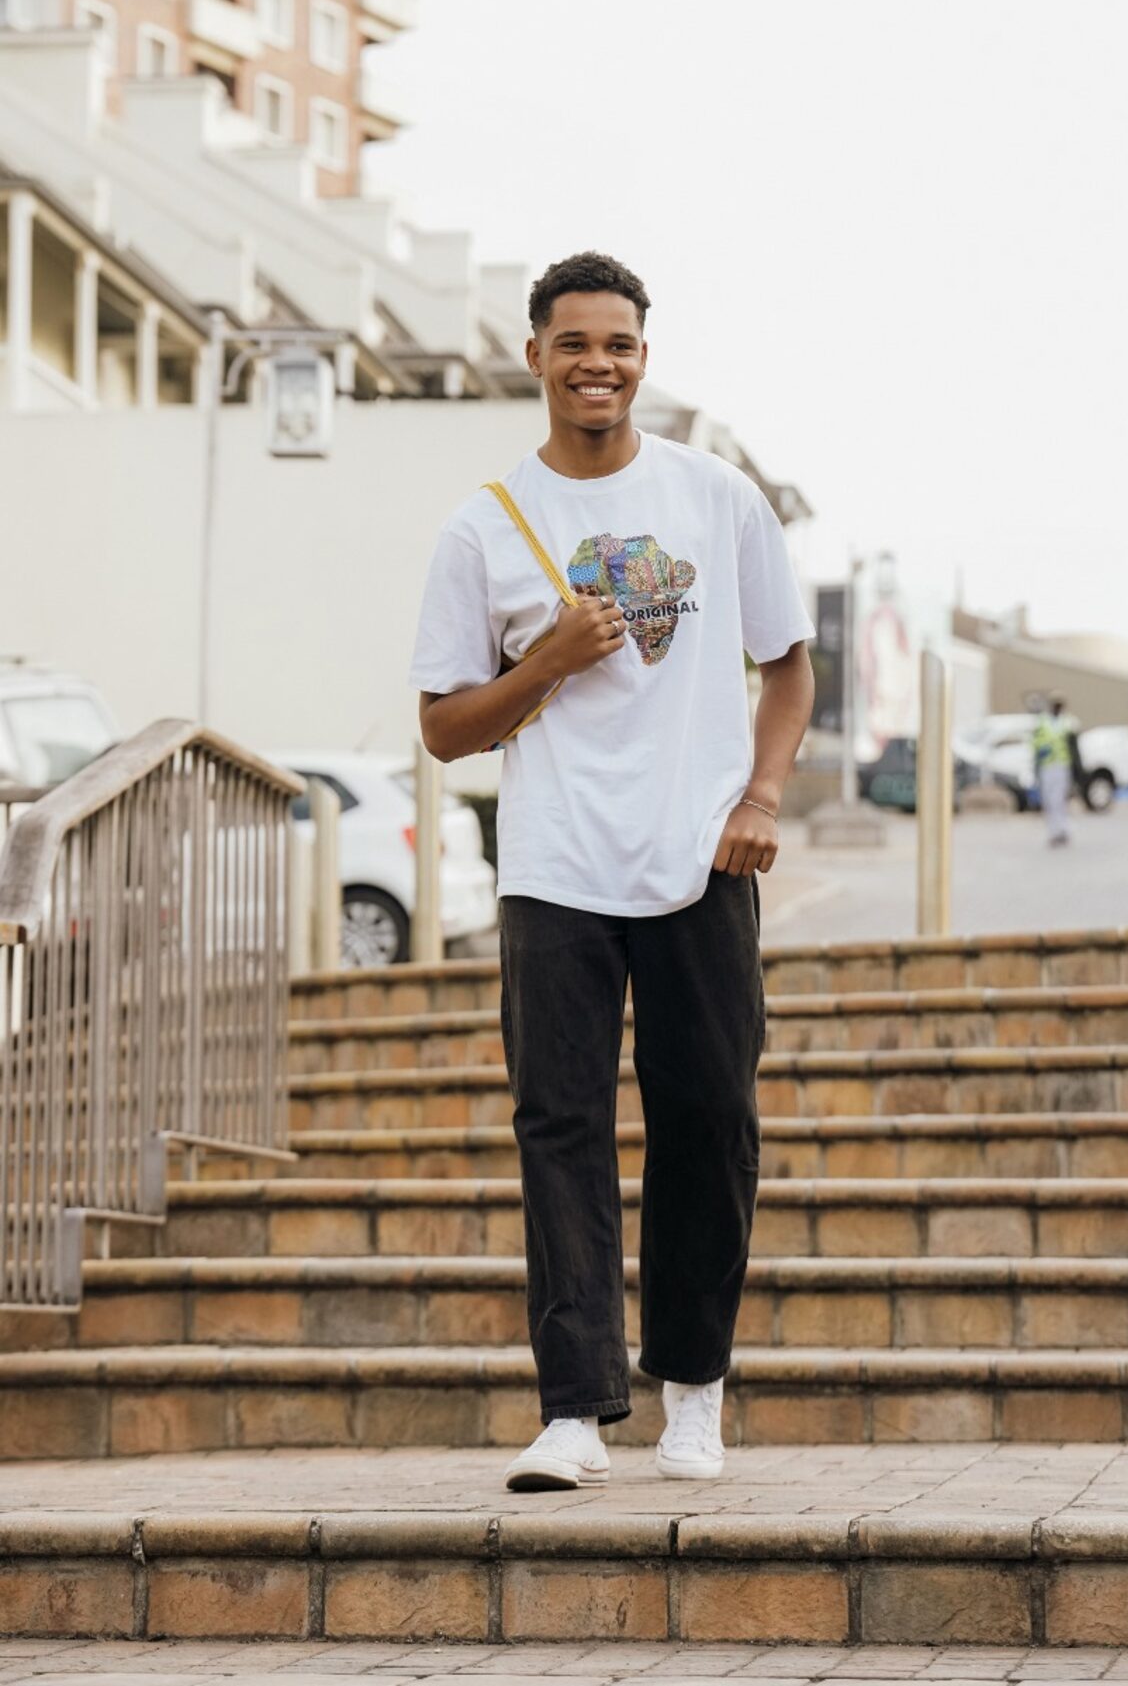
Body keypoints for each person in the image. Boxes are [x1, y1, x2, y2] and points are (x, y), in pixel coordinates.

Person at [408, 252, 815, 1491]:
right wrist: (547, 664)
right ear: (533, 353)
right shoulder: (482, 526)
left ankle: (694, 1389)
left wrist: (758, 796)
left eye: (621, 344)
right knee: (562, 1128)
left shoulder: (715, 497)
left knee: (709, 1121)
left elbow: (789, 667)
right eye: (575, 341)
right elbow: (442, 725)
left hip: (698, 858)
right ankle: (576, 1408)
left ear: (647, 355)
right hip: (553, 864)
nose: (600, 363)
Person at [1032, 692, 1076, 846]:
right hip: (1047, 766)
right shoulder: (1042, 722)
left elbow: (1073, 747)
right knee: (1049, 801)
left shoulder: (1067, 723)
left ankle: (1062, 830)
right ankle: (1053, 832)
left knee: (1059, 800)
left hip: (1061, 765)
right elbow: (1035, 744)